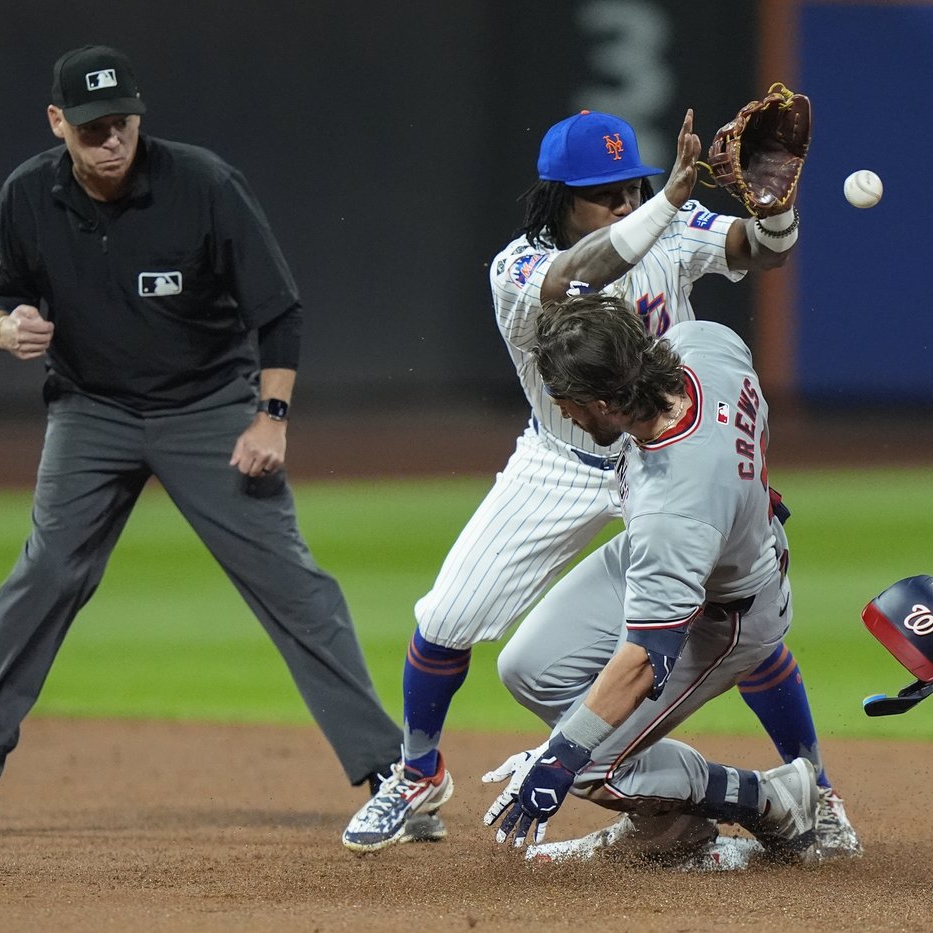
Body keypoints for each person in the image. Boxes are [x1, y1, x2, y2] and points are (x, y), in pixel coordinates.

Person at [0, 45, 439, 842]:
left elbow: (280, 309)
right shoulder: (28, 194)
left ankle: (386, 774)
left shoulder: (201, 183)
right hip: (91, 413)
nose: (111, 140)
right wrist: (3, 324)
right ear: (58, 123)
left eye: (122, 122)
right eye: (92, 127)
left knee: (294, 586)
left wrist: (271, 416)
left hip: (207, 410)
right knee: (44, 578)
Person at [343, 107, 859, 859]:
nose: (623, 203)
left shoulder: (670, 225)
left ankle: (818, 786)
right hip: (562, 460)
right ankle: (418, 772)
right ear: (560, 199)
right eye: (603, 193)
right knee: (447, 615)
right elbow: (586, 270)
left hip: (661, 452)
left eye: (631, 187)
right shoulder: (516, 267)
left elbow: (762, 250)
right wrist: (668, 201)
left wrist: (775, 209)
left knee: (734, 612)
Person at [485, 293, 819, 864]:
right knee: (529, 669)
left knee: (589, 767)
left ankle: (771, 798)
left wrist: (560, 758)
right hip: (690, 551)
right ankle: (665, 809)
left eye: (569, 402)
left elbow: (645, 659)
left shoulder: (676, 504)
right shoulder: (702, 342)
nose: (563, 413)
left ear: (609, 400)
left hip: (725, 609)